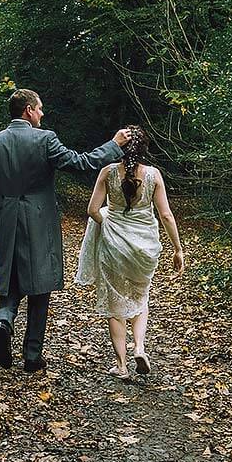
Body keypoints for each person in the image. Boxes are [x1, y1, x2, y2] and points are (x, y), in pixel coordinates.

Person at [0, 89, 132, 372]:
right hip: (38, 221)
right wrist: (113, 145)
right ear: (28, 110)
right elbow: (80, 163)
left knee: (10, 281)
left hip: (5, 220)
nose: (42, 113)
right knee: (40, 284)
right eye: (39, 108)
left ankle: (4, 320)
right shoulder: (45, 139)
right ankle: (32, 355)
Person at [74, 125, 184, 378]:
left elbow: (92, 210)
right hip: (144, 246)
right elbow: (165, 215)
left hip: (113, 245)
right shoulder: (153, 175)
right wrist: (177, 249)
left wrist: (109, 225)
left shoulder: (108, 172)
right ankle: (140, 348)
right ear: (144, 148)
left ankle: (121, 366)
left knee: (115, 303)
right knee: (140, 296)